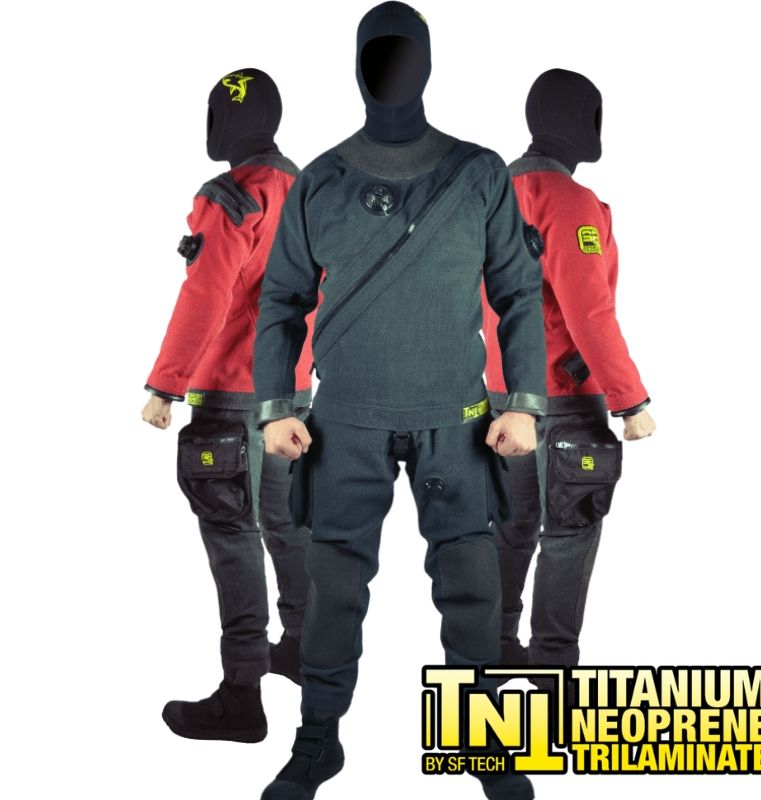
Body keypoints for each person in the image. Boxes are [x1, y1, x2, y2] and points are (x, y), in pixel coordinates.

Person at [253, 4, 546, 798]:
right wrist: (275, 407)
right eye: (379, 54)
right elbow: (280, 300)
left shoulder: (480, 173)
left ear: (429, 62)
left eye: (404, 53)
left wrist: (524, 402)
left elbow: (520, 293)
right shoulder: (321, 180)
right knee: (332, 589)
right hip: (343, 423)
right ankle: (318, 741)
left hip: (459, 419)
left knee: (473, 586)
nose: (392, 69)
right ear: (356, 64)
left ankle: (485, 744)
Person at [141, 67, 314, 743]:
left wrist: (166, 384)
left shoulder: (234, 198)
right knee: (284, 521)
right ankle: (302, 647)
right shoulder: (309, 192)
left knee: (232, 533)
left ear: (221, 125)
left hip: (231, 394)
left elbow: (205, 295)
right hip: (292, 395)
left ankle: (241, 695)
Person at [483, 68, 656, 683]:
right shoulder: (568, 201)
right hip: (563, 399)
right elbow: (589, 313)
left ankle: (493, 656)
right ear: (584, 123)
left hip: (500, 396)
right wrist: (630, 400)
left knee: (510, 527)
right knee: (570, 530)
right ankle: (552, 675)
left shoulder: (490, 193)